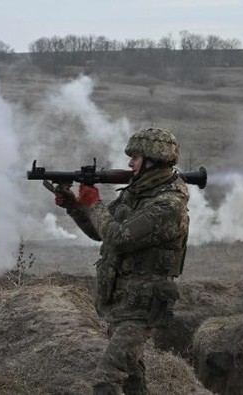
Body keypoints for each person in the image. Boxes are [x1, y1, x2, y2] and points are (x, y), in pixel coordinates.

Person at [54, 127, 190, 395]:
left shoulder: (168, 204)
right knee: (131, 378)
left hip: (143, 306)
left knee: (107, 379)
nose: (129, 163)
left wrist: (94, 202)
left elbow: (119, 238)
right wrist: (74, 206)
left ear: (155, 160)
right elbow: (99, 232)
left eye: (136, 157)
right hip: (122, 301)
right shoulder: (135, 193)